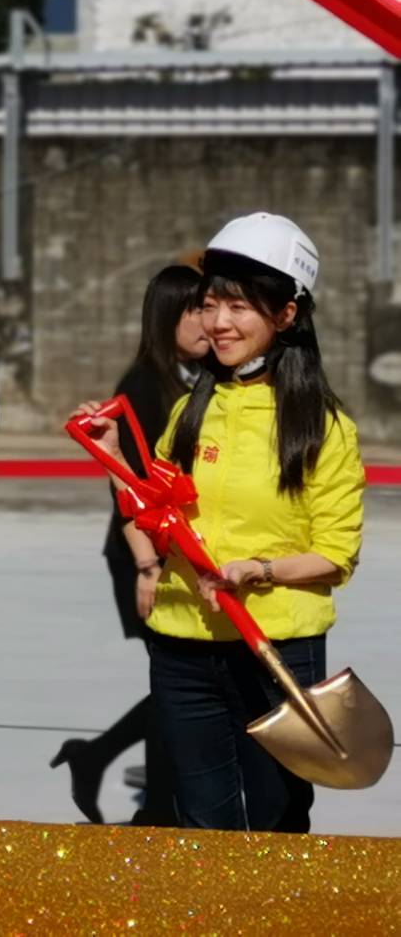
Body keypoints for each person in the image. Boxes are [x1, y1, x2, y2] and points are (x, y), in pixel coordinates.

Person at [76, 212, 364, 832]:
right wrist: (115, 457)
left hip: (275, 648)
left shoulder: (322, 425)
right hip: (183, 648)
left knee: (277, 822)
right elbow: (150, 517)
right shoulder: (188, 410)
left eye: (241, 307)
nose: (220, 323)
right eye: (211, 305)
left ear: (286, 314)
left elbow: (336, 554)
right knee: (202, 827)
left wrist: (259, 570)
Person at [50, 264, 206, 825]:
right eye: (194, 310)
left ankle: (99, 763)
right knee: (180, 686)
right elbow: (130, 489)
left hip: (184, 557)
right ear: (165, 318)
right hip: (146, 557)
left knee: (184, 685)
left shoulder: (201, 378)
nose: (208, 321)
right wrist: (149, 565)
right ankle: (155, 811)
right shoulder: (141, 386)